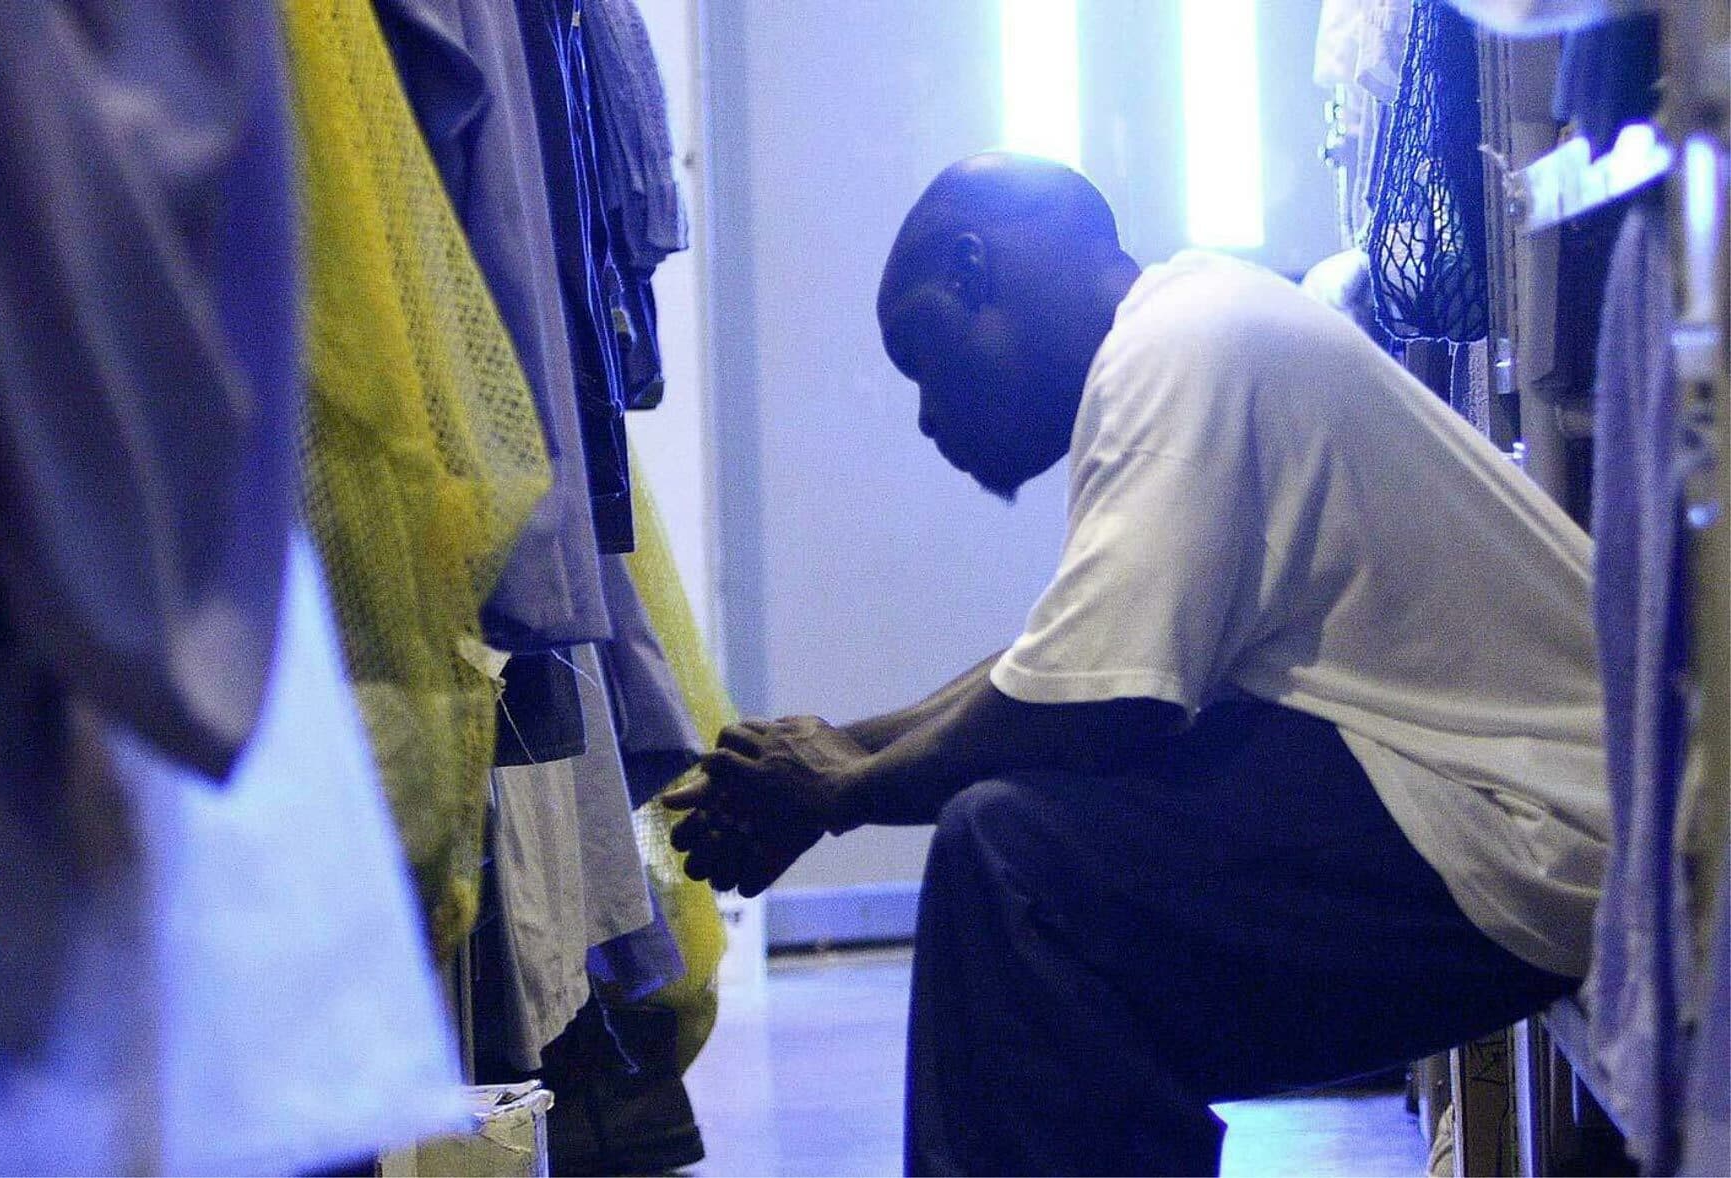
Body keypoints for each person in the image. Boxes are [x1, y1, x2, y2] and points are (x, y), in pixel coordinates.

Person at [663, 152, 1608, 1176]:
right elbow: (1064, 659)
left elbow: (1101, 700)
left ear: (975, 272)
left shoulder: (1177, 347)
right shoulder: (1190, 323)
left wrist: (840, 791)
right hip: (1495, 817)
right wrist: (839, 750)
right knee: (1025, 860)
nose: (929, 415)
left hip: (1534, 836)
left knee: (1013, 861)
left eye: (923, 355)